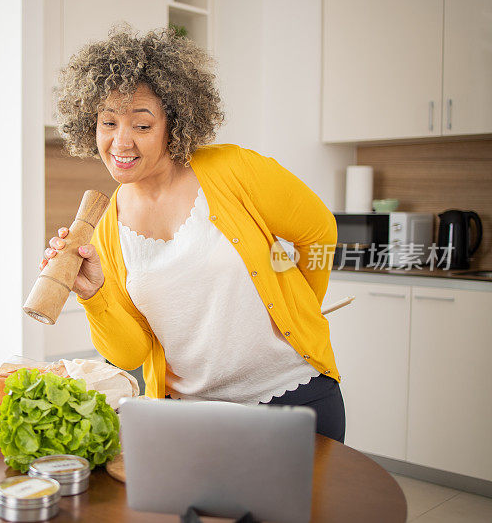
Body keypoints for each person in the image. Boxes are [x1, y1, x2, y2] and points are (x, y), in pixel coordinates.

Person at [41, 26, 345, 442]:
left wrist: (299, 312)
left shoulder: (232, 170)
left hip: (293, 398)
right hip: (190, 420)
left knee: (301, 511)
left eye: (142, 126)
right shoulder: (108, 226)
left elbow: (319, 230)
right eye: (107, 122)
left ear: (174, 123)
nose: (120, 141)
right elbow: (129, 353)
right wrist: (94, 295)